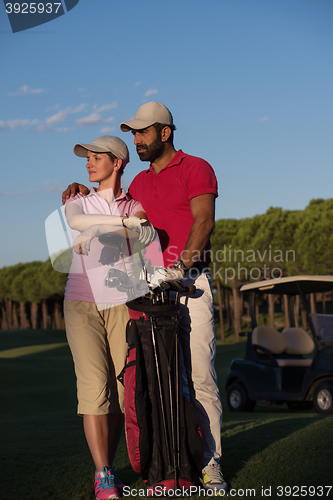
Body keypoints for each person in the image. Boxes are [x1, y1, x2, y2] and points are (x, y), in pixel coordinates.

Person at [62, 103, 228, 495]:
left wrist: (180, 268)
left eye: (142, 133)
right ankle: (165, 464)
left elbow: (204, 220)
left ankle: (210, 464)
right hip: (148, 292)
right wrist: (83, 190)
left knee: (200, 377)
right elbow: (114, 211)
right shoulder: (136, 183)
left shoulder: (196, 167)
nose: (136, 139)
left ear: (164, 133)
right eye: (133, 135)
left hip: (189, 285)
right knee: (152, 380)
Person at [63, 135, 156, 500]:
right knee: (94, 387)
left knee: (120, 390)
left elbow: (145, 232)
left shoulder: (135, 203)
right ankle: (103, 474)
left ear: (117, 162)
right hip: (82, 302)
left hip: (120, 301)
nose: (88, 163)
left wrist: (98, 227)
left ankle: (111, 467)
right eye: (86, 158)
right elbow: (75, 219)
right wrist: (119, 224)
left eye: (96, 157)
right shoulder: (78, 198)